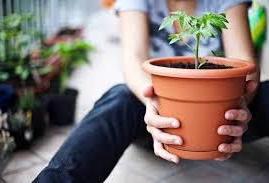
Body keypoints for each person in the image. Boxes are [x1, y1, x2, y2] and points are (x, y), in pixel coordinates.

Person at [33, 0, 268, 182]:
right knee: (120, 98)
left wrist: (240, 103)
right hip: (156, 121)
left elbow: (244, 62)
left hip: (223, 118)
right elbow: (133, 57)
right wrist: (155, 105)